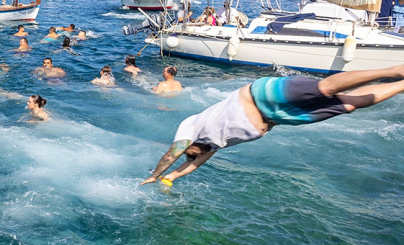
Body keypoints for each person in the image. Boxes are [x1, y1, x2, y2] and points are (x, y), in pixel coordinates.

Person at [143, 66, 404, 186]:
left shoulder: (192, 127)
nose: (196, 157)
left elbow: (174, 151)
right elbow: (191, 164)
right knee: (348, 105)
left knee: (326, 88)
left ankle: (392, 71)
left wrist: (155, 174)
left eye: (194, 154)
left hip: (262, 96)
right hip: (280, 116)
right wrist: (172, 177)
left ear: (193, 148)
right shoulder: (211, 146)